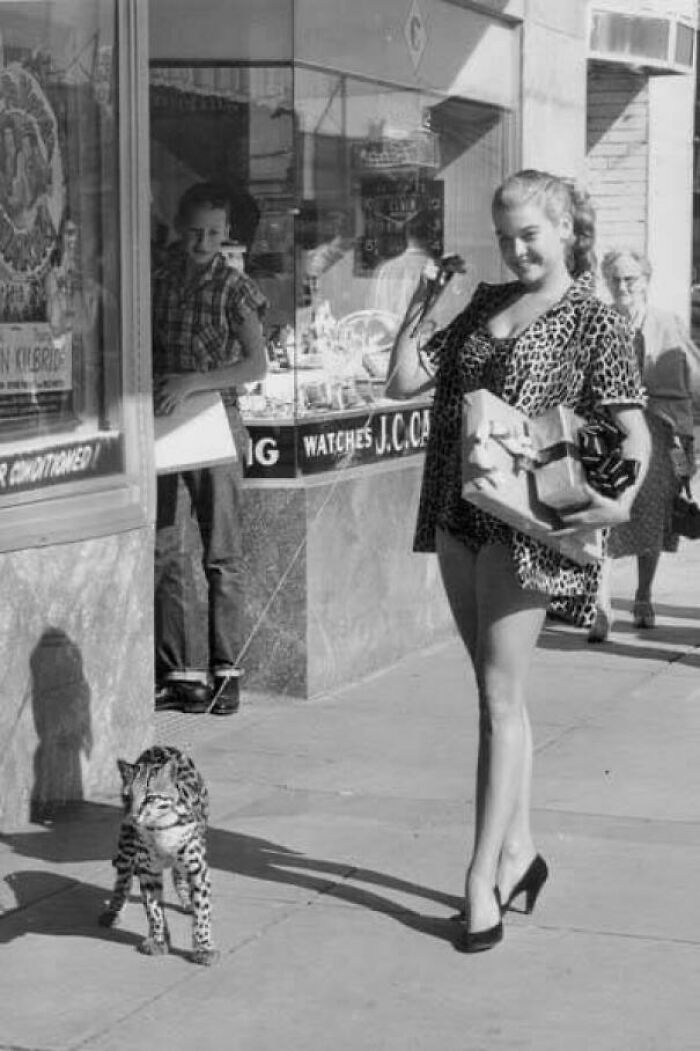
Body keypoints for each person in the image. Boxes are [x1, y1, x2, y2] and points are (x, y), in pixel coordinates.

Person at [385, 169, 650, 952]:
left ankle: (481, 882)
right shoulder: (483, 302)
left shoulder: (592, 322)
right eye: (504, 236)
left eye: (529, 233)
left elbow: (633, 433)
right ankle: (522, 852)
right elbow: (401, 380)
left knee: (498, 701)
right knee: (497, 694)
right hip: (457, 511)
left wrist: (623, 500)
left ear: (566, 229)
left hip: (525, 525)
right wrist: (423, 300)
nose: (515, 248)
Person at [152, 182, 268, 716]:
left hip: (216, 424)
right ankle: (181, 671)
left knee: (221, 554)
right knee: (165, 550)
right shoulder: (156, 278)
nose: (203, 241)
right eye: (196, 230)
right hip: (164, 422)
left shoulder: (234, 288)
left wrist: (194, 381)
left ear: (227, 235)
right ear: (180, 226)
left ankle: (227, 672)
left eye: (214, 233)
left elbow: (254, 365)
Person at [588, 249, 700, 642]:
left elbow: (695, 381)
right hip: (605, 432)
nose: (623, 287)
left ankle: (643, 594)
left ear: (646, 280)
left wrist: (689, 446)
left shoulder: (668, 325)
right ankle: (601, 608)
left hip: (659, 432)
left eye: (631, 279)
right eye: (616, 279)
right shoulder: (598, 324)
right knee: (601, 515)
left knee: (652, 514)